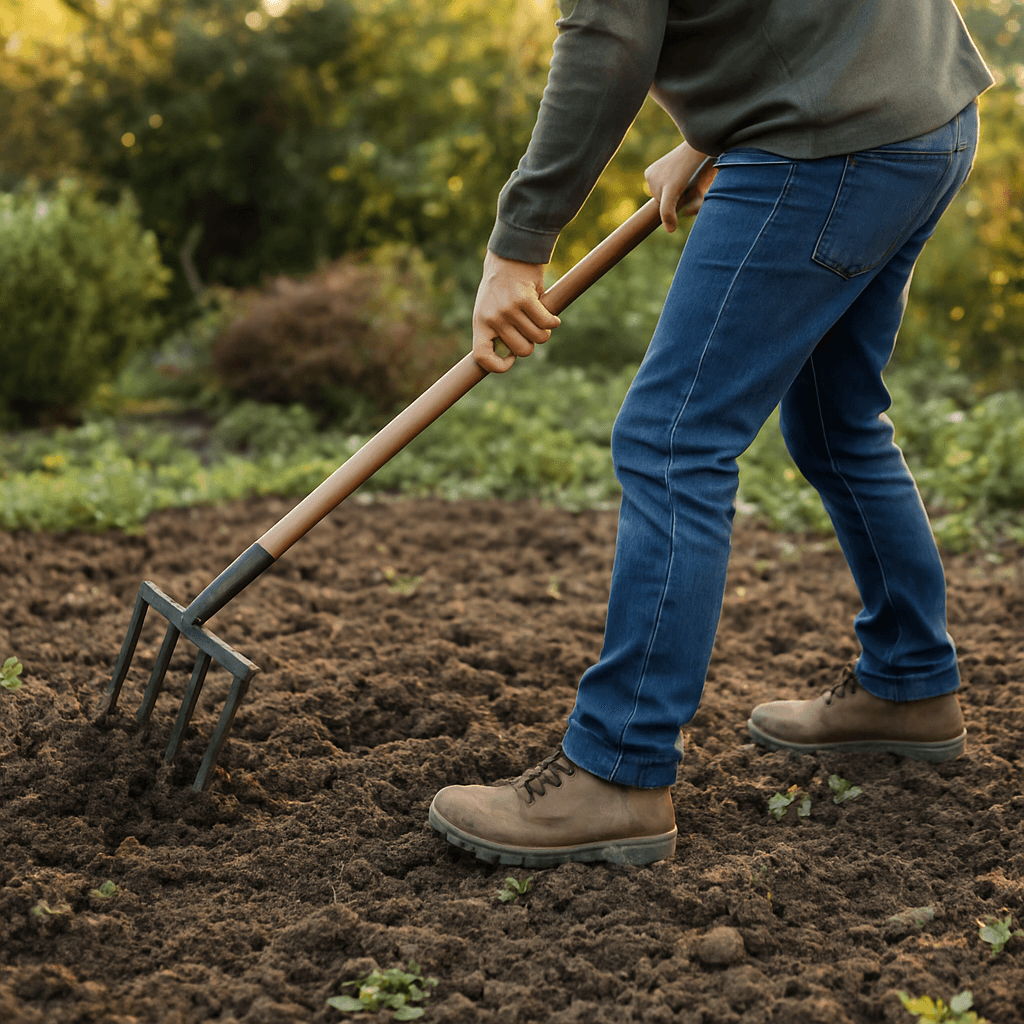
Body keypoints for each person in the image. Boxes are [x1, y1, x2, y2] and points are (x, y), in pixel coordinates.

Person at [428, 0, 993, 869]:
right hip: (925, 110)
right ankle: (910, 682)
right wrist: (715, 131)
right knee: (838, 420)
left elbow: (609, 35)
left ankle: (617, 771)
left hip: (826, 144)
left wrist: (520, 241)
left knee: (671, 441)